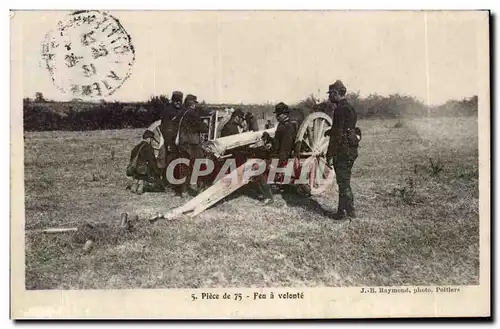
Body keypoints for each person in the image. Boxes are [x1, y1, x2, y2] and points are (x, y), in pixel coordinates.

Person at [324, 80, 360, 220]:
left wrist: (329, 154)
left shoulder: (339, 109)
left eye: (330, 94)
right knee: (344, 180)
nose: (329, 97)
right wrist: (330, 131)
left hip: (342, 150)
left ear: (336, 93)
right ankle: (345, 211)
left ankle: (346, 212)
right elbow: (346, 127)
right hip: (351, 149)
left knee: (343, 182)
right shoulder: (350, 107)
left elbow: (338, 135)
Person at [175, 94, 209, 196]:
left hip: (183, 144)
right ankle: (200, 188)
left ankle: (184, 191)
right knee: (200, 165)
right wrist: (205, 124)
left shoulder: (181, 113)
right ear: (192, 104)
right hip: (192, 144)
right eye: (194, 103)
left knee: (185, 167)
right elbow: (203, 129)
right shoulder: (192, 114)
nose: (195, 105)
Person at [126, 130, 165, 194]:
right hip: (144, 172)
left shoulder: (136, 147)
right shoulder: (148, 148)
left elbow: (132, 159)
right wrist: (158, 172)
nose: (152, 141)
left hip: (135, 171)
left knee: (140, 174)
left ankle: (136, 182)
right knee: (161, 188)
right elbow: (152, 162)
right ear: (149, 139)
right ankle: (142, 185)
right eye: (152, 139)